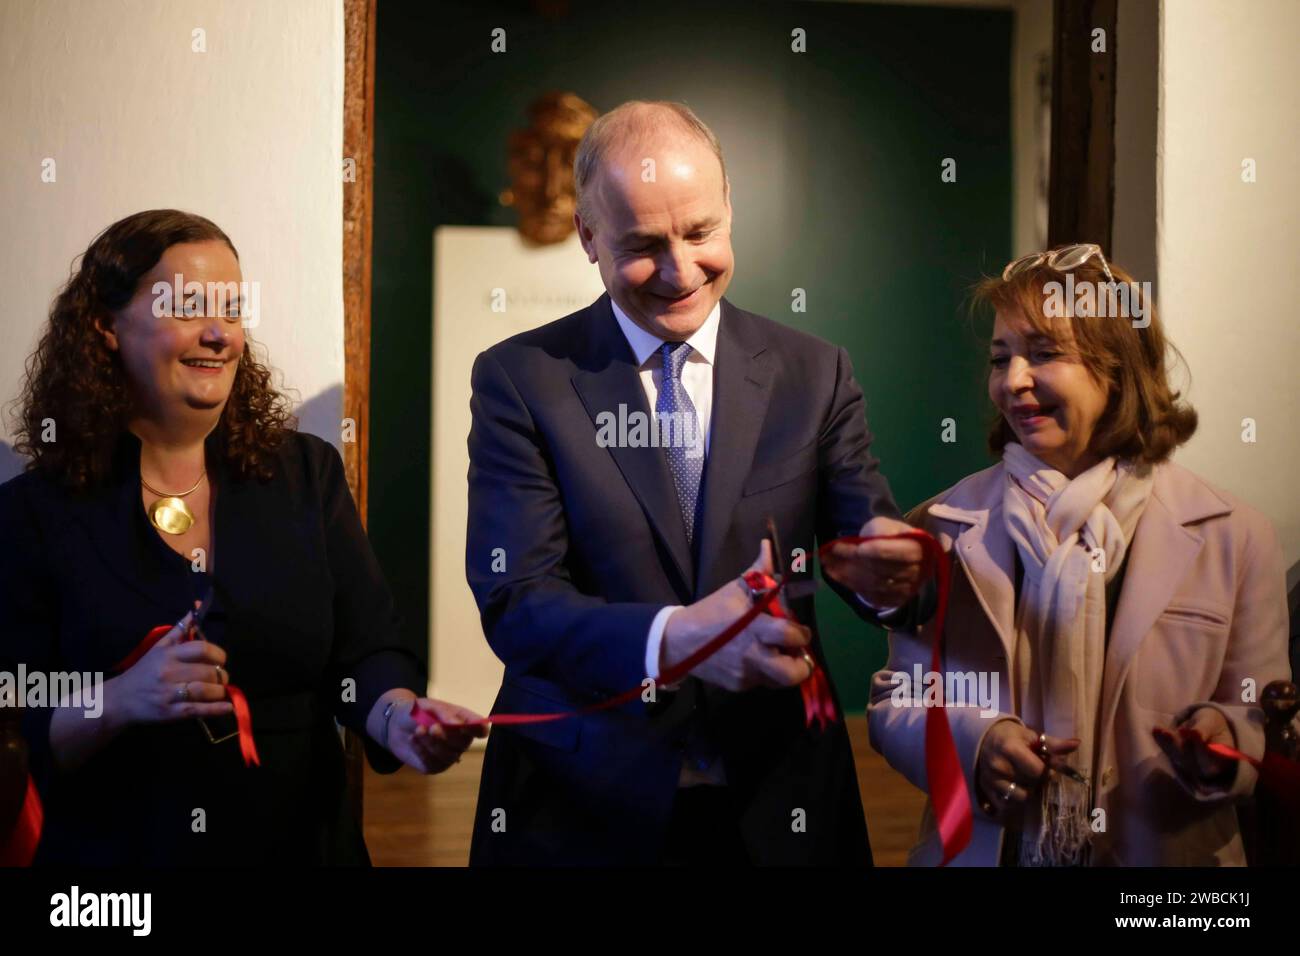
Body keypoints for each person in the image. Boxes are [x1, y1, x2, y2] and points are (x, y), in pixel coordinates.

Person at [465, 101, 927, 865]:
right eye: (645, 245)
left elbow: (863, 547)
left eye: (702, 233)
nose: (682, 271)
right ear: (588, 237)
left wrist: (890, 574)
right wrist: (677, 641)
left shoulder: (814, 373)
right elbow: (517, 602)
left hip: (779, 801)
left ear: (729, 212)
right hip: (583, 803)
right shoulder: (520, 380)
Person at [0, 209, 485, 865]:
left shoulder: (305, 474)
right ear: (105, 326)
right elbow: (18, 729)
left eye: (230, 308)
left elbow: (369, 654)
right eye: (188, 306)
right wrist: (117, 701)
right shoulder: (32, 514)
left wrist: (400, 720)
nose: (217, 332)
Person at [867, 245, 1291, 865]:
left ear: (1118, 367)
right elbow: (897, 703)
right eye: (1001, 358)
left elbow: (1262, 713)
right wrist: (977, 742)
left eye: (1043, 354)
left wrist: (1223, 739)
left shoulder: (1234, 535)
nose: (1012, 381)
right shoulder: (941, 529)